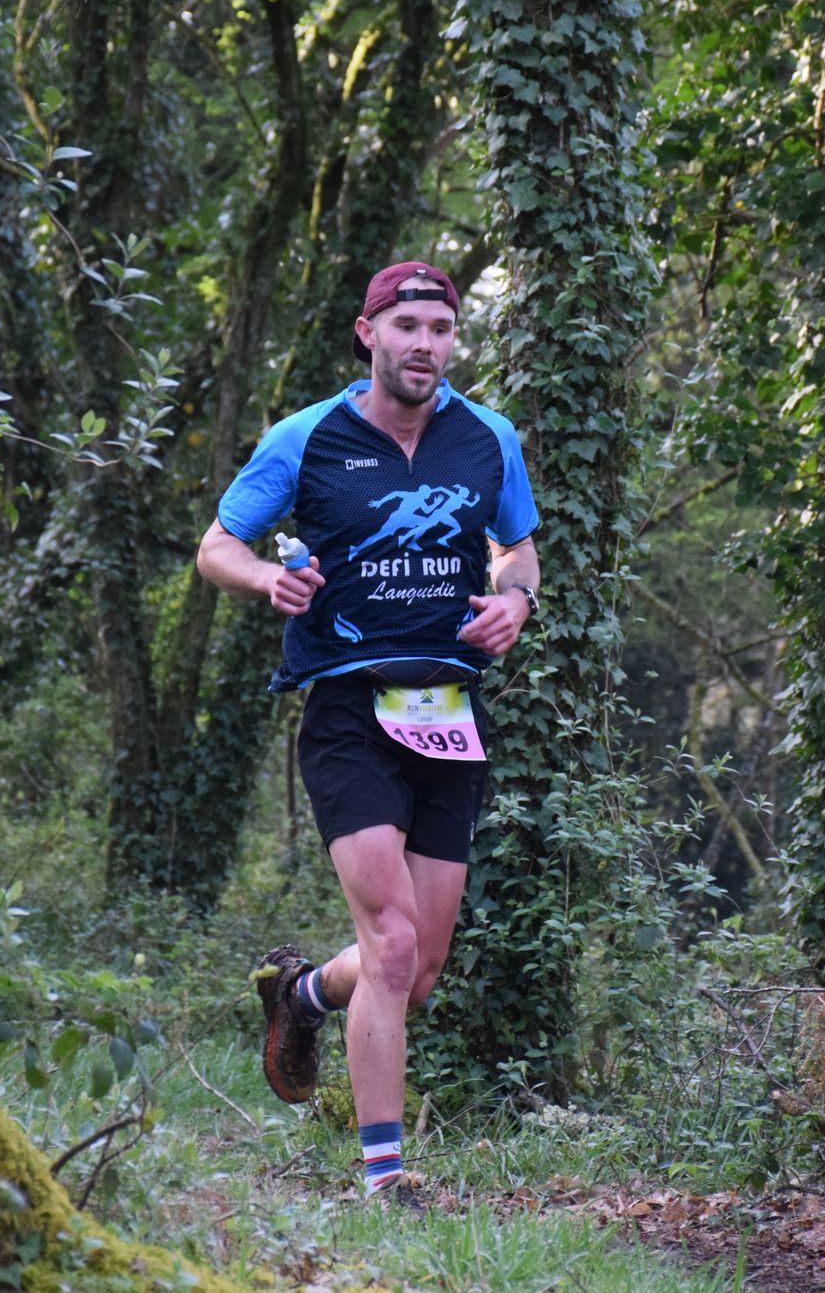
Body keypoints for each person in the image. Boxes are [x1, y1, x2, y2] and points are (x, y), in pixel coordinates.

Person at [194, 262, 540, 1198]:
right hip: (348, 707)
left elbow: (516, 548)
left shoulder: (489, 437)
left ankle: (303, 994)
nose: (425, 344)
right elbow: (217, 547)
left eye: (441, 328)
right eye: (408, 326)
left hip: (449, 710)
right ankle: (387, 1181)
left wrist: (516, 600)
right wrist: (267, 578)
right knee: (389, 942)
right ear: (369, 333)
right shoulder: (306, 437)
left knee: (418, 968)